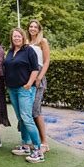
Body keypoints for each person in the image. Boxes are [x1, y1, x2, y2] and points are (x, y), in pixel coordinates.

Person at [4, 28, 44, 163]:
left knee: (27, 118)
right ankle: (25, 145)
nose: (16, 38)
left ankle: (38, 150)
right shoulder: (10, 51)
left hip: (25, 89)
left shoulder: (29, 51)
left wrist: (29, 83)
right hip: (12, 89)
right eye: (14, 36)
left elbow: (35, 69)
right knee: (21, 118)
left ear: (23, 37)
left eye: (19, 36)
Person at [27, 19, 50, 153]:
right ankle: (31, 140)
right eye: (31, 26)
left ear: (39, 29)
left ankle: (44, 142)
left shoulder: (43, 41)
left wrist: (39, 77)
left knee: (36, 110)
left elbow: (46, 61)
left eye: (35, 27)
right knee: (27, 111)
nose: (33, 29)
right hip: (27, 77)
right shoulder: (26, 42)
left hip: (38, 76)